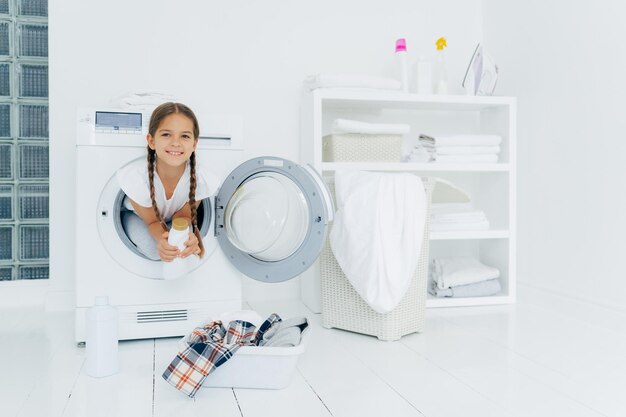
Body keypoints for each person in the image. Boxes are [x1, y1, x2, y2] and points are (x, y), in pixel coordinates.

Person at [116, 102, 219, 262]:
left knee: (183, 246)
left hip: (174, 219)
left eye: (184, 136)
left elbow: (183, 216)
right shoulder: (138, 179)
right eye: (166, 134)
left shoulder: (200, 179)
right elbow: (152, 221)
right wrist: (163, 241)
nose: (175, 143)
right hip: (139, 218)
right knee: (154, 251)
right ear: (151, 141)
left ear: (194, 144)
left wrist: (188, 238)